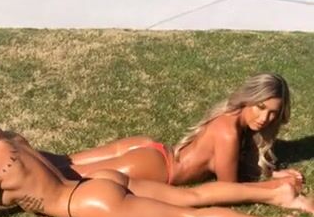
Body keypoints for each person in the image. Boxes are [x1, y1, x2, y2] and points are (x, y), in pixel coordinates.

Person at [0, 100, 314, 217]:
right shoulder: (13, 140)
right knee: (193, 196)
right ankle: (277, 194)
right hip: (97, 182)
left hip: (90, 203)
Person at [70, 73, 299, 185]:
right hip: (159, 168)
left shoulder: (231, 119)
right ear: (248, 99)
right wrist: (275, 185)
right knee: (69, 177)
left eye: (273, 113)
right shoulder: (228, 133)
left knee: (65, 163)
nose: (265, 118)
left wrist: (271, 173)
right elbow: (229, 189)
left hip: (155, 152)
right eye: (260, 107)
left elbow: (238, 165)